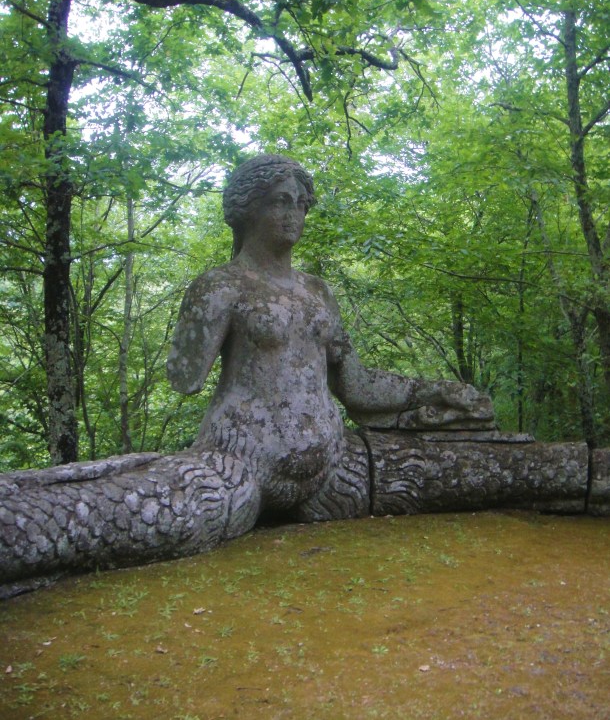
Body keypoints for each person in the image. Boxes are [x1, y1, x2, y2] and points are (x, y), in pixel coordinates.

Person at [167, 154, 494, 518]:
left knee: (479, 468)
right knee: (161, 513)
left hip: (333, 466)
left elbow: (356, 387)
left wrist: (438, 391)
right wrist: (203, 309)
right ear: (247, 208)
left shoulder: (318, 292)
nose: (294, 214)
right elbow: (184, 379)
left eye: (301, 204)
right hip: (241, 463)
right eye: (280, 201)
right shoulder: (221, 286)